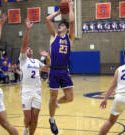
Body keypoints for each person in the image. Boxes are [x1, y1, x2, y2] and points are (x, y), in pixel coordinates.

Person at [46, 0, 74, 134]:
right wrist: (59, 11)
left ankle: (55, 103)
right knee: (52, 97)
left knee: (69, 98)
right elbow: (47, 19)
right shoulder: (54, 36)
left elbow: (72, 22)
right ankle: (52, 120)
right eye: (60, 24)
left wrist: (71, 8)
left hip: (64, 71)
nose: (60, 26)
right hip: (54, 71)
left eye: (63, 25)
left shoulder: (70, 38)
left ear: (67, 29)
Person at [20, 18, 49, 135]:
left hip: (37, 90)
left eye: (30, 49)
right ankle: (26, 128)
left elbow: (47, 69)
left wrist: (48, 57)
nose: (29, 49)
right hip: (26, 90)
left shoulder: (37, 61)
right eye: (27, 49)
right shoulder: (23, 60)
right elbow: (24, 45)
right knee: (28, 118)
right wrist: (27, 30)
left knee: (35, 118)